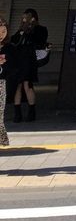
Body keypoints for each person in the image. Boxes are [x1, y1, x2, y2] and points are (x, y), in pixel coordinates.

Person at [11, 9, 48, 123]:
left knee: (27, 85)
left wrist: (30, 26)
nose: (24, 20)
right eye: (23, 18)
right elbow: (14, 41)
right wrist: (22, 28)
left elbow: (40, 41)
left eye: (26, 17)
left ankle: (31, 111)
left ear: (33, 18)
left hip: (29, 60)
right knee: (17, 85)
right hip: (18, 60)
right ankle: (17, 113)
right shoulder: (21, 31)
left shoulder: (40, 29)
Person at [0, 16, 20, 145]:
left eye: (4, 31)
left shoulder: (9, 48)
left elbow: (14, 67)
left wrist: (4, 66)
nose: (1, 35)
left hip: (1, 84)